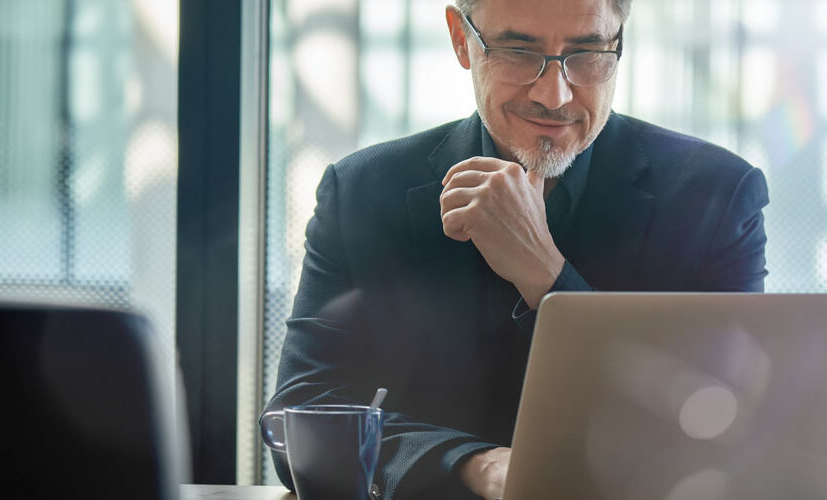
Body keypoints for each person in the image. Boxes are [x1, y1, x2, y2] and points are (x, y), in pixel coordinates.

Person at [263, 0, 769, 499]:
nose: (554, 95)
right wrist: (472, 465)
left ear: (619, 42)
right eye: (517, 51)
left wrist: (547, 275)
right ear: (462, 38)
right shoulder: (362, 193)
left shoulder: (717, 198)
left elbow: (723, 429)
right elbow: (301, 417)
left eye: (588, 52)